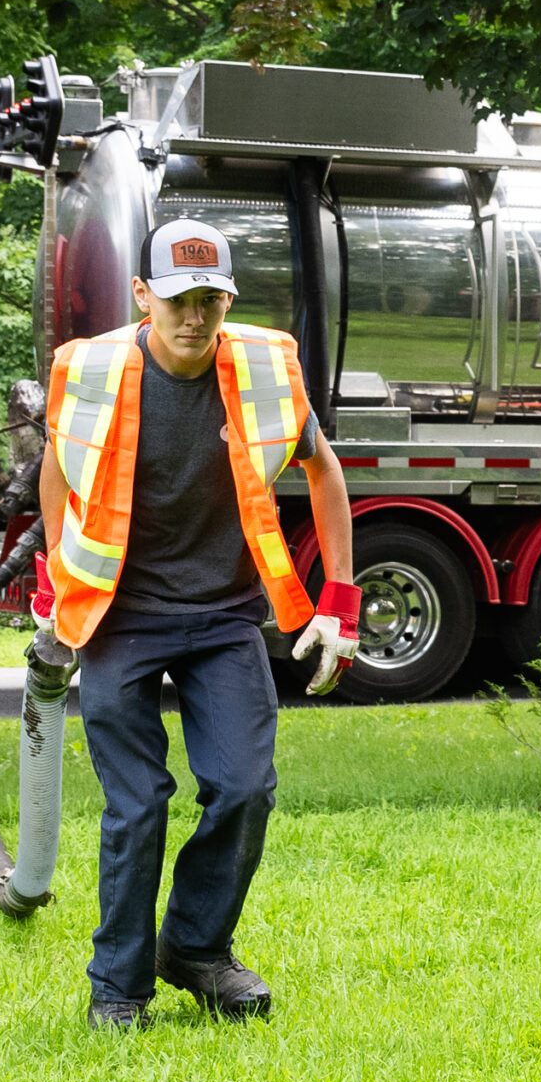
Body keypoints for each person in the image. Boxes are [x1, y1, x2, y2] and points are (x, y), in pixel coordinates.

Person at [38, 217, 359, 1030]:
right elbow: (57, 467)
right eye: (179, 298)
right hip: (122, 617)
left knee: (246, 788)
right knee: (138, 803)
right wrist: (57, 594)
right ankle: (118, 986)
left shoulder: (258, 370)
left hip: (223, 615)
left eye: (212, 298)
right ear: (143, 294)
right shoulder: (100, 373)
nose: (196, 316)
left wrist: (341, 603)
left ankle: (196, 948)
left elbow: (323, 470)